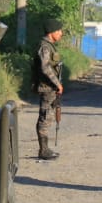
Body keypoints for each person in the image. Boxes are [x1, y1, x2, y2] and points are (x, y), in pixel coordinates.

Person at [32, 18, 65, 159]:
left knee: (48, 117)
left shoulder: (49, 46)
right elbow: (45, 68)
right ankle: (43, 150)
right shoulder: (45, 47)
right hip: (47, 87)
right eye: (59, 31)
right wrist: (57, 84)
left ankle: (45, 149)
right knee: (45, 118)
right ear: (52, 32)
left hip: (50, 87)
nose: (61, 33)